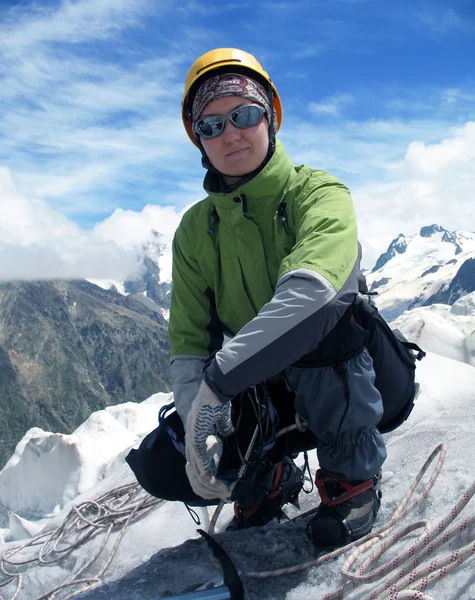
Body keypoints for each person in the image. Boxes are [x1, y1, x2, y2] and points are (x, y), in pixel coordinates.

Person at [127, 47, 387, 547]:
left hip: (353, 372)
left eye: (243, 115)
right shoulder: (195, 231)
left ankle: (352, 481)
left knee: (331, 324)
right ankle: (265, 479)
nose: (230, 133)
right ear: (198, 140)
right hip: (263, 385)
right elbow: (188, 344)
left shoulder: (318, 194)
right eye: (210, 125)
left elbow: (315, 292)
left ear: (270, 117)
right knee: (165, 463)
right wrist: (195, 419)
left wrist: (219, 385)